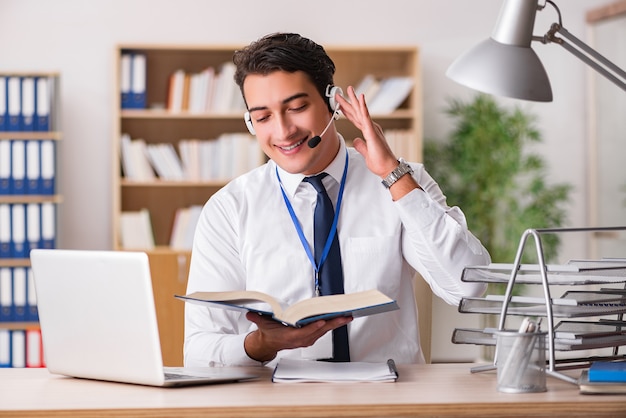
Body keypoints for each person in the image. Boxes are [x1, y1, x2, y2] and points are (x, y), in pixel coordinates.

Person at [184, 32, 490, 367]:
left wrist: (392, 174)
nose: (283, 131)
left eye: (297, 107)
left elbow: (467, 287)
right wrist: (259, 344)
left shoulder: (402, 181)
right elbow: (198, 351)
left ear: (334, 103)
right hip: (279, 404)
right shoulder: (230, 209)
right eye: (263, 117)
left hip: (387, 401)